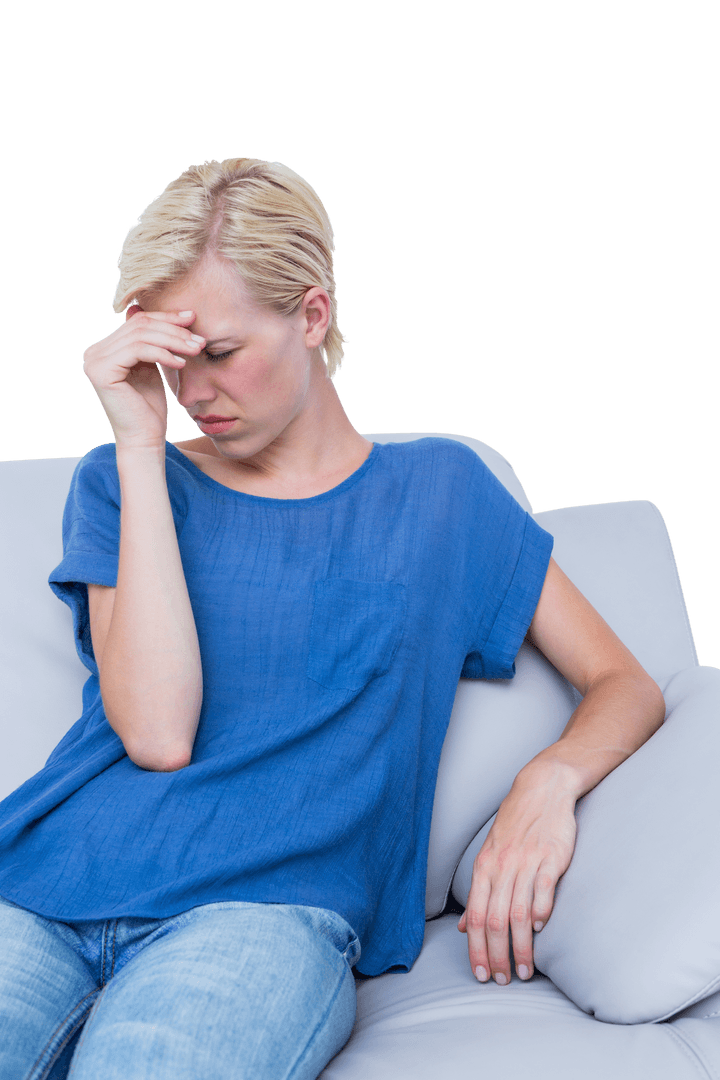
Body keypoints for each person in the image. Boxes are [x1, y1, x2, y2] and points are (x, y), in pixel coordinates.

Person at [0, 157, 665, 1080]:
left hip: (263, 913)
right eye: (172, 363)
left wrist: (548, 782)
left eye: (219, 354)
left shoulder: (442, 494)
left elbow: (624, 682)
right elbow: (156, 732)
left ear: (312, 316)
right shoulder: (124, 479)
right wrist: (140, 446)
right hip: (41, 886)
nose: (194, 394)